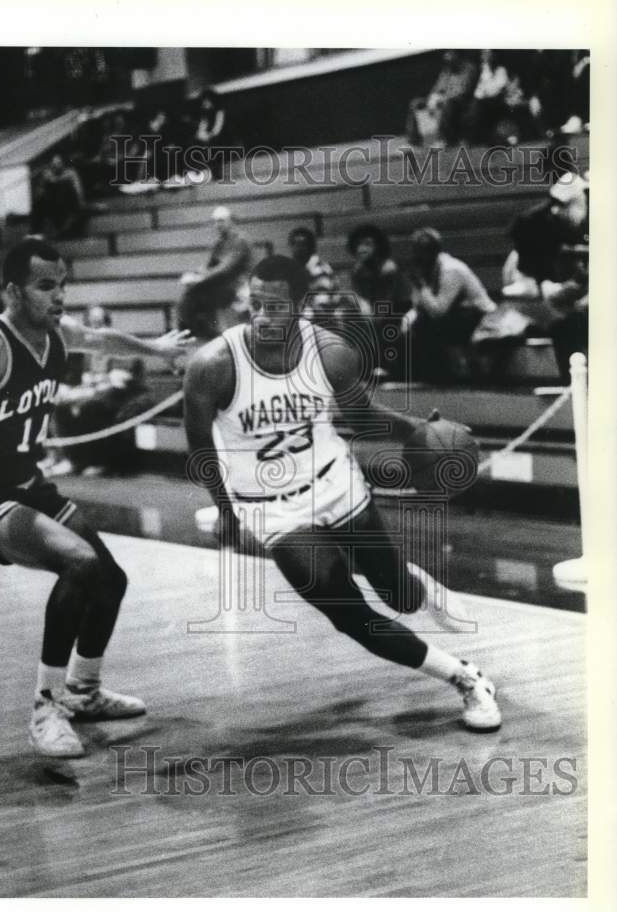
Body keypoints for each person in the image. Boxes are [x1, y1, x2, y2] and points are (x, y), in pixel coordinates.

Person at [183, 255, 501, 733]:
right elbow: (201, 450)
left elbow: (363, 417)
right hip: (274, 510)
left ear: (300, 306)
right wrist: (226, 513)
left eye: (276, 307)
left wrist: (421, 428)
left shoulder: (329, 352)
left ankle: (412, 583)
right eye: (256, 305)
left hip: (337, 486)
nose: (263, 318)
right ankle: (465, 678)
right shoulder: (212, 366)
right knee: (350, 614)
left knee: (400, 598)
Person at [0, 238, 191, 758]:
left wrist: (157, 350)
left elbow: (102, 339)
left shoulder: (58, 334)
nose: (59, 295)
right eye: (46, 286)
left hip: (28, 482)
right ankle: (45, 707)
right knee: (80, 563)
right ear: (14, 291)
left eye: (62, 284)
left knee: (110, 580)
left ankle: (84, 690)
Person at [405, 228, 496, 384]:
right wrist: (407, 319)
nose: (421, 259)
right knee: (414, 323)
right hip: (456, 315)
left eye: (425, 253)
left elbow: (438, 311)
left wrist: (421, 286)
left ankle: (445, 374)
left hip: (482, 318)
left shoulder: (451, 270)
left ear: (435, 252)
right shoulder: (425, 270)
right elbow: (418, 306)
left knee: (428, 324)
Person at [176, 206, 252, 343]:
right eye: (215, 221)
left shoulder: (240, 241)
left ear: (231, 221)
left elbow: (225, 269)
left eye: (221, 221)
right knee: (191, 294)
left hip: (236, 285)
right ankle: (190, 334)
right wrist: (194, 274)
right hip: (221, 285)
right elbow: (209, 266)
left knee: (194, 293)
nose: (217, 225)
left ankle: (198, 334)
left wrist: (199, 279)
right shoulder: (219, 243)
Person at [347, 224, 413, 378]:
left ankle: (386, 365)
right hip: (373, 310)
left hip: (399, 309)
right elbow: (357, 294)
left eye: (368, 244)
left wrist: (370, 316)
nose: (362, 248)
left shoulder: (389, 269)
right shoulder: (358, 270)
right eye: (358, 244)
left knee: (384, 323)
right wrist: (362, 305)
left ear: (378, 246)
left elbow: (386, 303)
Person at [405, 50, 477, 147]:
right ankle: (413, 139)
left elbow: (464, 91)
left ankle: (443, 139)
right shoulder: (446, 71)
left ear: (457, 57)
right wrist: (432, 98)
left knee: (448, 103)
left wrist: (444, 98)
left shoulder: (468, 68)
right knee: (415, 103)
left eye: (451, 59)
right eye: (447, 61)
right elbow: (437, 88)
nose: (449, 63)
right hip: (443, 99)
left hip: (460, 101)